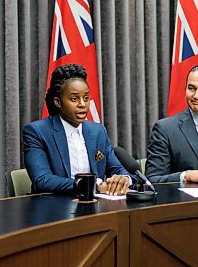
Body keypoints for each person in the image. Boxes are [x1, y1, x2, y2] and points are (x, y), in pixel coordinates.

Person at [24, 64, 133, 195]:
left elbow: (118, 169)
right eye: (74, 99)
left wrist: (123, 179)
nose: (82, 104)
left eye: (86, 98)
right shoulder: (37, 132)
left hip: (95, 206)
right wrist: (94, 186)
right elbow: (42, 180)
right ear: (58, 102)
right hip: (54, 207)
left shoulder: (98, 131)